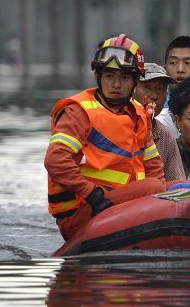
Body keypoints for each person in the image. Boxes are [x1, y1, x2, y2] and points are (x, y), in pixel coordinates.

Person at [44, 34, 166, 240]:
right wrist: (91, 193)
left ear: (135, 81)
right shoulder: (79, 112)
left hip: (120, 204)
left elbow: (154, 167)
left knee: (175, 186)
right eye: (109, 76)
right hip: (84, 211)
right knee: (154, 188)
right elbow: (55, 159)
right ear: (98, 77)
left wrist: (165, 201)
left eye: (124, 77)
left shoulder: (139, 112)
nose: (116, 84)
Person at [133, 62, 185, 181]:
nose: (154, 96)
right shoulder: (118, 124)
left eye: (160, 89)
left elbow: (176, 183)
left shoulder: (164, 135)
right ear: (133, 89)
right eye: (147, 88)